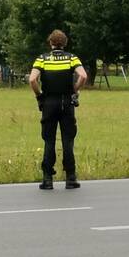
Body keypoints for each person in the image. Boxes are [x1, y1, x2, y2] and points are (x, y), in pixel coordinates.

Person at [30, 30, 87, 190]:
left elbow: (32, 79)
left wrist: (39, 95)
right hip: (67, 102)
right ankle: (70, 178)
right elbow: (83, 76)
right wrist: (75, 90)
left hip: (49, 102)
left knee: (49, 140)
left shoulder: (42, 59)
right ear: (65, 43)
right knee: (68, 140)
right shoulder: (71, 58)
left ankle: (47, 179)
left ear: (51, 43)